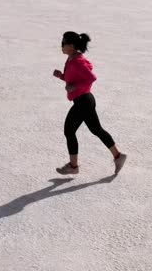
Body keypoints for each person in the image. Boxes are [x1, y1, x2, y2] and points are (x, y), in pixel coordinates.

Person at [51, 31, 126, 175]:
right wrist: (61, 76)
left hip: (83, 102)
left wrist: (75, 87)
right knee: (96, 129)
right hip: (85, 100)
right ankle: (118, 156)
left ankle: (73, 167)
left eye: (63, 43)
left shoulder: (77, 61)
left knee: (69, 130)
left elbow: (91, 78)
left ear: (71, 46)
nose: (61, 46)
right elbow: (73, 79)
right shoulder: (72, 59)